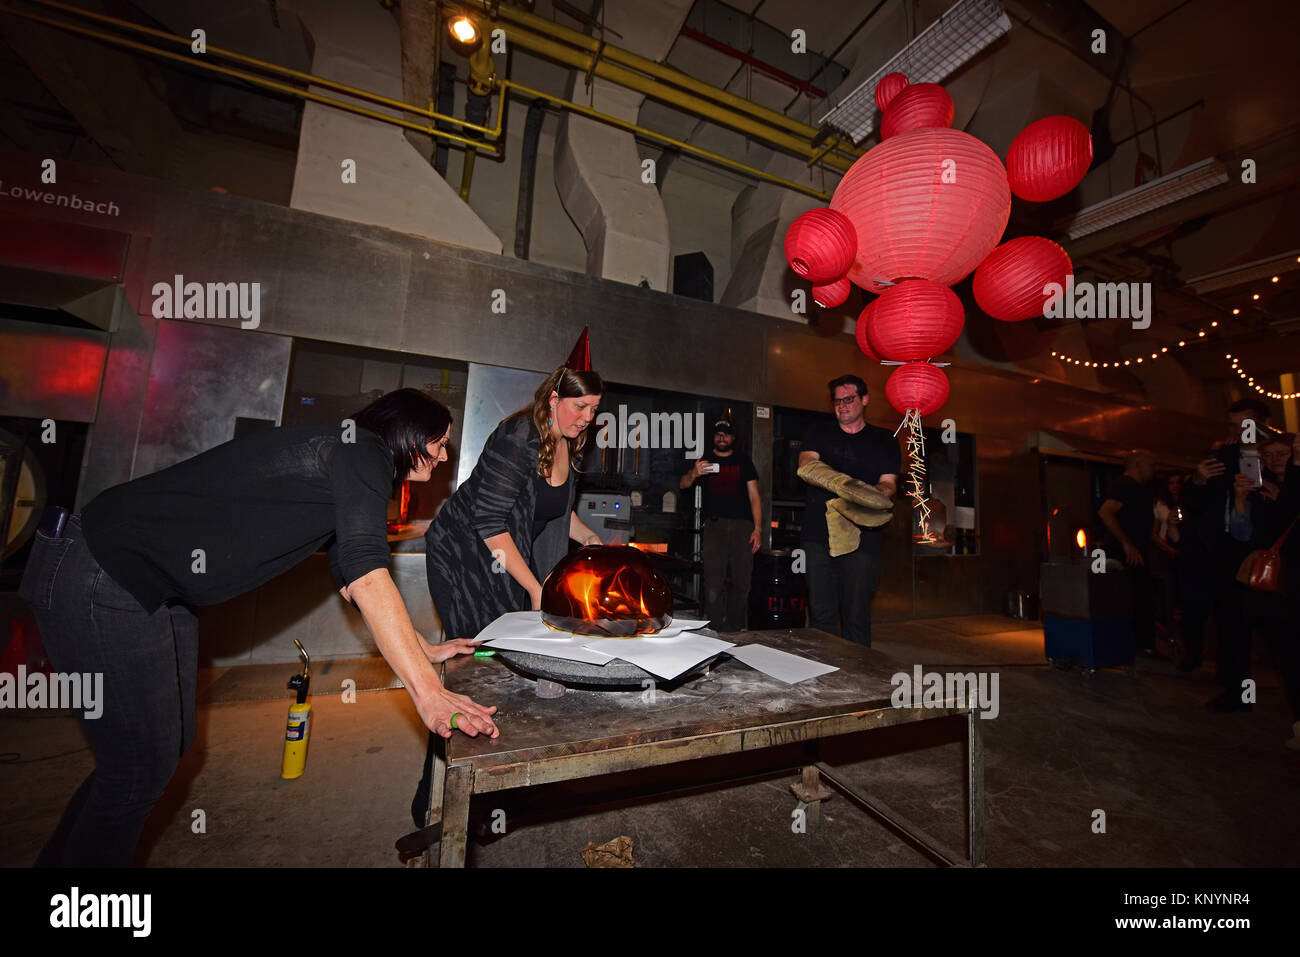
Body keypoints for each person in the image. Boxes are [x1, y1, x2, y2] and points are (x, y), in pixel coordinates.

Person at [18, 389, 494, 867]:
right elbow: (369, 575)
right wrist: (427, 693)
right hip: (102, 570)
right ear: (409, 430)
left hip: (149, 587)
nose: (444, 453)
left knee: (160, 750)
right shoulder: (363, 451)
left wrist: (423, 648)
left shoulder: (350, 460)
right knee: (137, 769)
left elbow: (353, 580)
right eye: (440, 440)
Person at [414, 333, 604, 826]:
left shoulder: (571, 442)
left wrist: (590, 539)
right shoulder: (519, 435)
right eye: (579, 406)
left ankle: (499, 784)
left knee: (512, 660)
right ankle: (441, 794)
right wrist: (537, 589)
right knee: (478, 663)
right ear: (554, 398)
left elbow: (557, 513)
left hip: (504, 552)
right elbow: (489, 523)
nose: (587, 417)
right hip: (465, 554)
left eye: (594, 409)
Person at [796, 375, 899, 647]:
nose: (842, 405)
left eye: (849, 399)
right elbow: (807, 466)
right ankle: (824, 677)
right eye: (837, 400)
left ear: (864, 400)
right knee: (821, 613)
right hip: (818, 535)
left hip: (863, 537)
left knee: (856, 614)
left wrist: (871, 494)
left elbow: (888, 485)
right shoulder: (819, 432)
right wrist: (851, 487)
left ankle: (859, 679)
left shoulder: (884, 439)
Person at [1183, 398, 1274, 697]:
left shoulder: (1276, 454)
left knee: (1271, 628)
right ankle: (1235, 689)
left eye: (1243, 424)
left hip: (1269, 550)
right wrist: (1197, 481)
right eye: (1232, 425)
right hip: (1225, 550)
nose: (1236, 430)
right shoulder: (1221, 454)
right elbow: (1195, 504)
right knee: (1230, 622)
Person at [1228, 431, 1300, 742]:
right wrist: (1242, 500)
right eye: (1268, 456)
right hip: (1276, 588)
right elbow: (1242, 535)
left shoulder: (1292, 488)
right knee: (1289, 656)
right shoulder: (1260, 492)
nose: (1275, 461)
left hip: (1295, 581)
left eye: (1283, 454)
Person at [679, 418, 762, 632]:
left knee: (742, 581)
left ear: (733, 437)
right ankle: (715, 628)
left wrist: (758, 528)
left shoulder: (743, 461)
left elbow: (754, 496)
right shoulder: (704, 461)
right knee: (713, 581)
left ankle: (734, 628)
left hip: (742, 527)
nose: (722, 437)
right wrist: (694, 473)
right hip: (714, 526)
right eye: (718, 434)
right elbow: (683, 484)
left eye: (726, 434)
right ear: (714, 437)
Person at [1097, 451, 1159, 656]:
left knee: (1140, 598)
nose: (1153, 469)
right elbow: (1105, 511)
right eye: (1150, 464)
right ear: (1138, 465)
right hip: (1126, 555)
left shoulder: (1139, 489)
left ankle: (1141, 645)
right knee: (1131, 599)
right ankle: (1132, 645)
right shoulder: (1124, 485)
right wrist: (1126, 543)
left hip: (1137, 552)